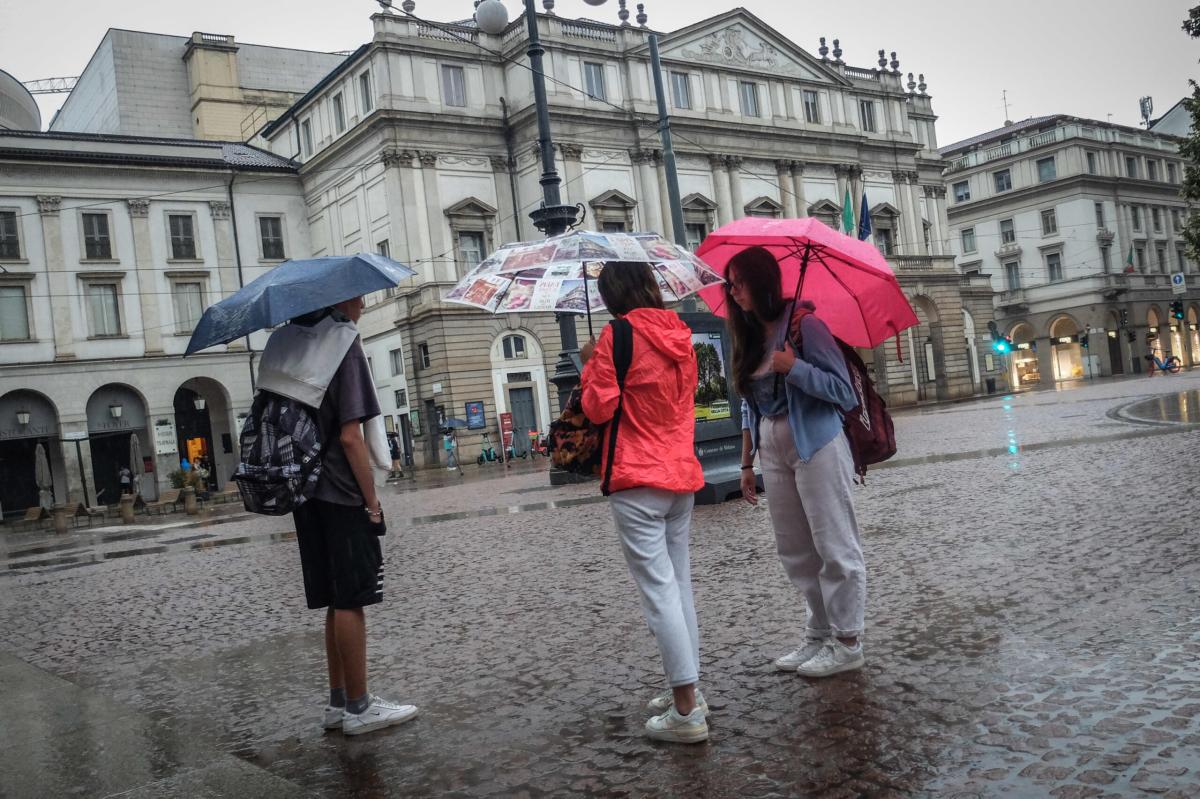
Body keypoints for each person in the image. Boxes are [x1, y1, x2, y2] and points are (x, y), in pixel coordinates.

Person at [261, 296, 418, 736]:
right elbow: (352, 438)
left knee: (334, 597)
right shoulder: (342, 344)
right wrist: (373, 502)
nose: (364, 303)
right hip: (342, 489)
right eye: (358, 295)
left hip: (303, 488)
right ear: (340, 298)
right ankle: (360, 707)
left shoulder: (286, 342)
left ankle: (338, 702)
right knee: (352, 598)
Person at [580, 261, 708, 743]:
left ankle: (686, 711)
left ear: (613, 297)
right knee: (679, 589)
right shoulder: (680, 332)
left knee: (659, 594)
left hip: (637, 479)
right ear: (651, 286)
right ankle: (692, 690)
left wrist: (592, 361)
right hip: (679, 475)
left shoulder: (617, 337)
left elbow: (599, 408)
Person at [727, 246, 867, 678]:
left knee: (834, 544)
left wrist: (795, 368)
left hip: (817, 442)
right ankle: (819, 633)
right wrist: (747, 461)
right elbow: (751, 405)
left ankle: (848, 642)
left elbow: (844, 392)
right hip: (773, 445)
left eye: (739, 283)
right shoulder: (751, 335)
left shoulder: (808, 326)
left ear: (762, 282)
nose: (733, 293)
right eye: (729, 285)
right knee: (796, 549)